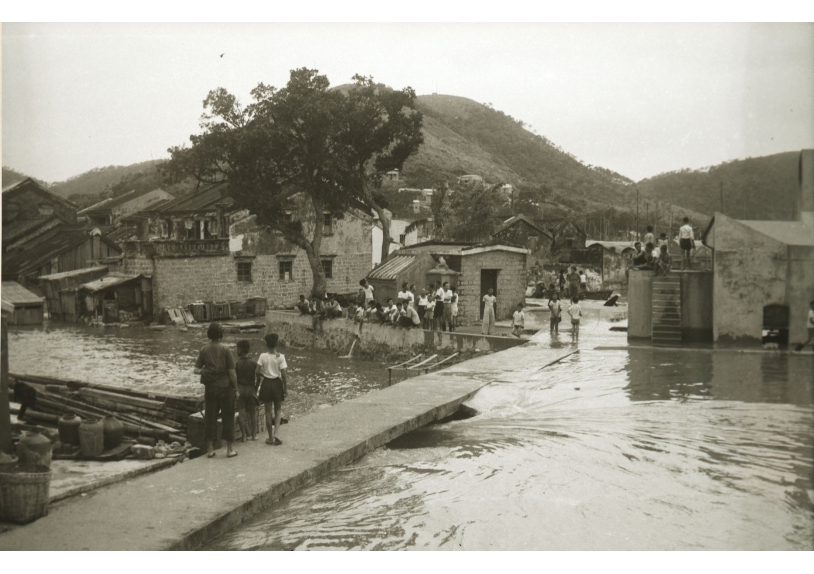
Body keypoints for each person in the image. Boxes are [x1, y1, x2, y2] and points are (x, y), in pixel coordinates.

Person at [194, 322, 238, 458]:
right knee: (228, 417)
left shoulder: (204, 349)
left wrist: (206, 372)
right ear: (221, 334)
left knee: (210, 417)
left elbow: (196, 370)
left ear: (209, 334)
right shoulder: (226, 350)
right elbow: (232, 372)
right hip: (226, 389)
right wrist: (236, 389)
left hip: (210, 389)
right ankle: (229, 450)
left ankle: (210, 450)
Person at [256, 333, 287, 446]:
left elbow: (256, 371)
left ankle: (270, 438)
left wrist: (263, 375)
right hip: (277, 383)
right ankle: (277, 433)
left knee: (268, 412)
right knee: (278, 410)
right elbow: (283, 374)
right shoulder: (280, 357)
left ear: (266, 344)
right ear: (276, 343)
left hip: (266, 383)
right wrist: (285, 388)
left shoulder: (262, 356)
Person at [234, 340, 259, 443]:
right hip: (250, 388)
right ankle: (253, 435)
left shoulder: (237, 363)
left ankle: (244, 436)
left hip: (240, 389)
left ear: (240, 350)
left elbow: (234, 378)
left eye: (237, 348)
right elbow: (259, 377)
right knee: (253, 413)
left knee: (241, 413)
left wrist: (235, 390)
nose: (236, 350)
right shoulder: (253, 363)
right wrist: (256, 388)